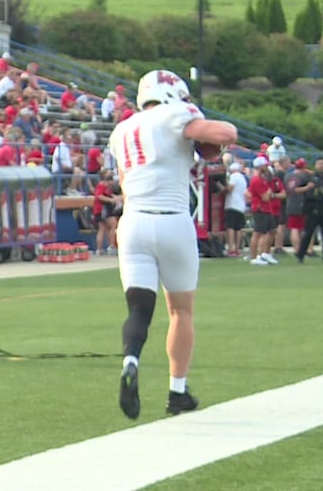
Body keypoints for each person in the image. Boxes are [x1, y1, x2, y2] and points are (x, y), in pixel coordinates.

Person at [107, 70, 237, 420]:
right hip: (172, 219)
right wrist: (209, 135)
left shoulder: (122, 130)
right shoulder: (175, 113)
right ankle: (177, 391)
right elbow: (225, 133)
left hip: (133, 221)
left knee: (138, 309)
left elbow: (122, 180)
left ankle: (131, 360)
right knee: (180, 311)